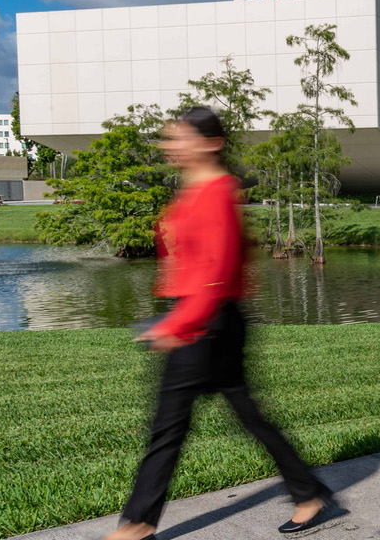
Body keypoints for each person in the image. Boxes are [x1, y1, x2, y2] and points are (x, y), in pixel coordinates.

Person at [106, 107, 330, 540]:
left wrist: (178, 323)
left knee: (168, 428)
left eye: (180, 138)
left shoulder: (218, 194)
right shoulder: (192, 192)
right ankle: (307, 492)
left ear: (211, 143)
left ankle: (138, 524)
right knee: (247, 416)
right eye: (168, 139)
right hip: (203, 319)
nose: (170, 146)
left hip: (206, 324)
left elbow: (219, 271)